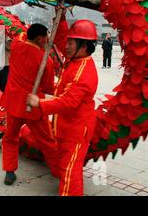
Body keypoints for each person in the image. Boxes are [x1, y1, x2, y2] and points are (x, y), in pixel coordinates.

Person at [27, 20, 99, 196]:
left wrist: (39, 103)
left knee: (70, 173)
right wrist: (61, 18)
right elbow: (60, 40)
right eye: (68, 42)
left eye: (71, 43)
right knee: (66, 167)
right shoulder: (75, 59)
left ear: (84, 46)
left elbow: (68, 102)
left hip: (76, 131)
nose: (65, 46)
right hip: (66, 128)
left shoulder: (84, 73)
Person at [0, 24, 61, 186]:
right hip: (34, 106)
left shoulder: (16, 45)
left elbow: (21, 34)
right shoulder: (45, 60)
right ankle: (60, 173)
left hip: (14, 103)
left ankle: (9, 171)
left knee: (10, 138)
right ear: (40, 38)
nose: (48, 40)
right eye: (46, 37)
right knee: (48, 141)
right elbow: (48, 87)